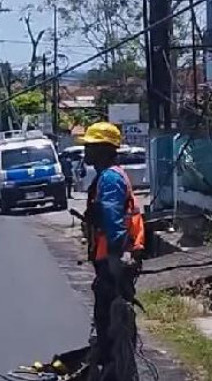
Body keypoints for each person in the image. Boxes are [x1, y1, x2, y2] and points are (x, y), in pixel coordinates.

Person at [81, 122, 145, 379]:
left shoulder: (109, 178)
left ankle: (112, 371)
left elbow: (112, 217)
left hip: (113, 259)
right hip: (114, 257)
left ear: (105, 150)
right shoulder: (111, 175)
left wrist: (117, 255)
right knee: (112, 320)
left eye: (90, 147)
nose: (86, 151)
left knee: (110, 322)